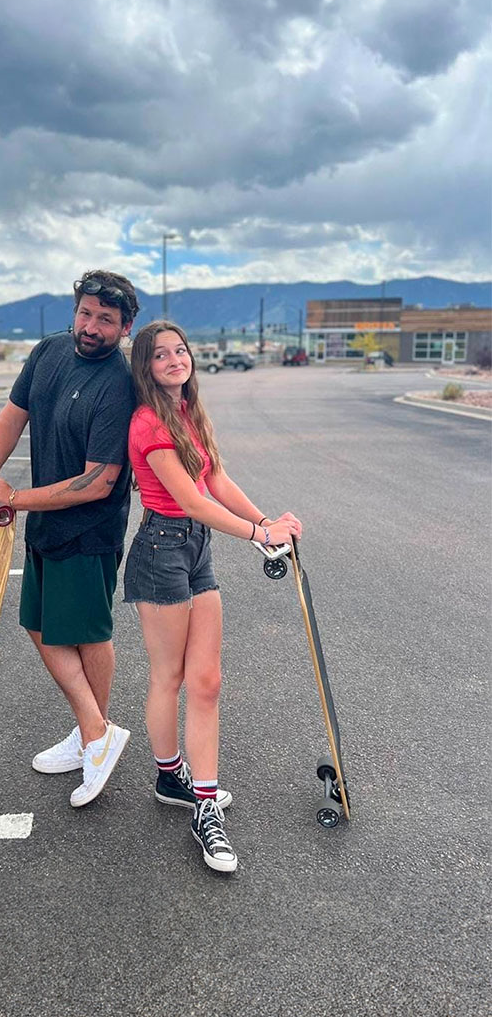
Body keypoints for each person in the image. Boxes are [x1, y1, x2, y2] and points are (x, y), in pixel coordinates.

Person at [124, 321, 302, 872]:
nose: (176, 360)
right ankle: (169, 776)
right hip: (161, 549)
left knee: (207, 681)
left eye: (181, 350)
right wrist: (257, 537)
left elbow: (216, 483)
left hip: (196, 549)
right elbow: (190, 501)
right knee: (169, 678)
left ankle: (202, 800)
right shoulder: (148, 422)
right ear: (146, 367)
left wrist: (266, 521)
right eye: (162, 355)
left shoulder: (187, 413)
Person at [0, 270, 140, 807]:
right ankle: (93, 730)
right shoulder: (48, 353)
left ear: (125, 326)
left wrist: (11, 499)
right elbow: (10, 419)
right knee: (40, 627)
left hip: (90, 531)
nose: (91, 327)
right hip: (45, 524)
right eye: (86, 314)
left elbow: (98, 482)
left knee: (87, 635)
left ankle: (96, 737)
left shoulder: (118, 384)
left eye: (105, 320)